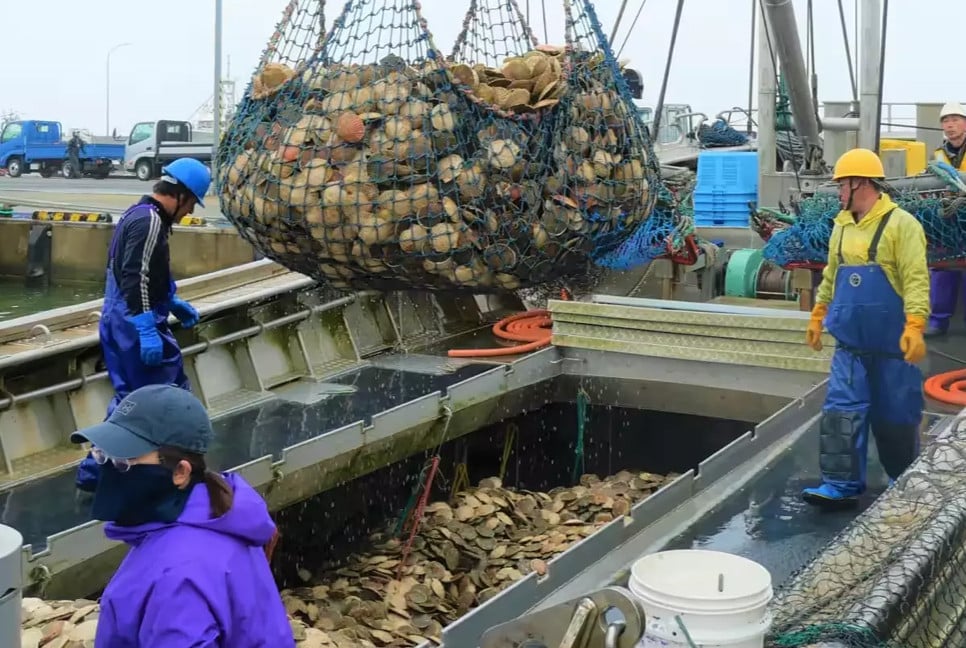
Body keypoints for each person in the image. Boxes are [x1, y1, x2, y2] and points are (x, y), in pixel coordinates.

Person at [71, 384, 294, 647]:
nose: (107, 470)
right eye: (102, 455)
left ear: (180, 472)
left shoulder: (178, 575)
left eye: (123, 462)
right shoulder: (220, 517)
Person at [75, 158, 211, 495]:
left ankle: (96, 472)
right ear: (179, 195)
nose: (188, 212)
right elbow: (136, 275)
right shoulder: (150, 221)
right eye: (191, 204)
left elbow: (142, 269)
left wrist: (171, 300)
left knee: (131, 400)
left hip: (121, 319)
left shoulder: (137, 215)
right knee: (168, 398)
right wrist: (147, 328)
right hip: (134, 324)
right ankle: (175, 475)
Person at [802, 148, 929, 505]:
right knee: (841, 413)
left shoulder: (903, 225)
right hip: (850, 345)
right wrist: (818, 313)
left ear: (862, 183)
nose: (839, 191)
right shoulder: (841, 227)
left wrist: (915, 324)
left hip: (892, 347)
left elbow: (916, 279)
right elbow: (831, 276)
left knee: (896, 417)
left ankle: (902, 482)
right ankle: (839, 486)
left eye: (842, 184)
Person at [926, 101, 966, 337]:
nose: (950, 125)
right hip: (948, 222)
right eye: (946, 121)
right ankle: (938, 322)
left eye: (955, 120)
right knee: (942, 267)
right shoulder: (937, 155)